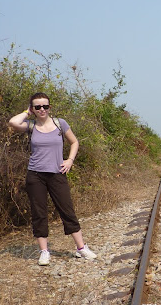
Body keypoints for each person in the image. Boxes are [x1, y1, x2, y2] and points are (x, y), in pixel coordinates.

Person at [8, 93, 97, 266]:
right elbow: (13, 123)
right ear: (33, 109)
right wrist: (27, 112)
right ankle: (44, 252)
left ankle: (81, 248)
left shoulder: (60, 124)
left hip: (57, 174)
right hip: (35, 175)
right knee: (39, 213)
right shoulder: (30, 125)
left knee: (67, 211)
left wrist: (70, 160)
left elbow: (74, 142)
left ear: (50, 107)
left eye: (45, 106)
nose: (42, 110)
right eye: (37, 107)